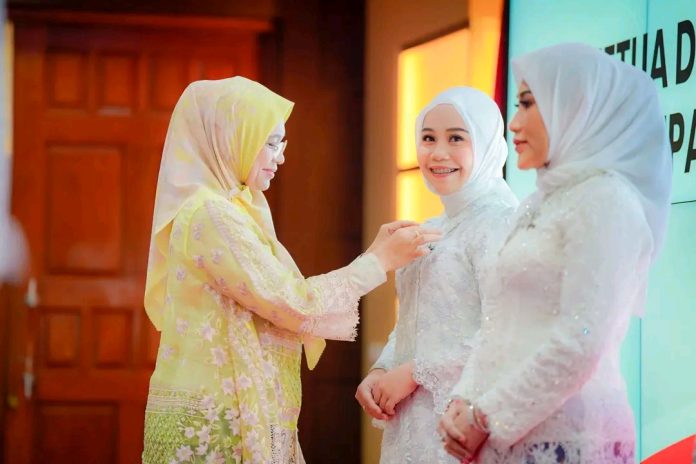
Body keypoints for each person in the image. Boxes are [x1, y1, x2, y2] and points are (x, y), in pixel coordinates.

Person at [141, 77, 440, 463]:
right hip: (214, 422)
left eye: (281, 143)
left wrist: (374, 256)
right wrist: (378, 261)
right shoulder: (211, 213)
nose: (280, 157)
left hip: (227, 410)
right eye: (269, 143)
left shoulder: (235, 209)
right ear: (231, 138)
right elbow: (291, 301)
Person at [439, 43, 672, 463]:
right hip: (501, 434)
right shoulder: (538, 202)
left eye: (529, 103)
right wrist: (463, 400)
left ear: (575, 108)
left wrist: (484, 416)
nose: (514, 122)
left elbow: (582, 340)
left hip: (571, 438)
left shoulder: (606, 200)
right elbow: (497, 322)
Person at [355, 87, 517, 463]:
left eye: (456, 138)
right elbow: (413, 323)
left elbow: (508, 333)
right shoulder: (432, 228)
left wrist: (415, 372)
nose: (438, 152)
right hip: (412, 424)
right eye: (428, 138)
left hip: (466, 421)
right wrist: (382, 370)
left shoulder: (501, 223)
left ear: (486, 143)